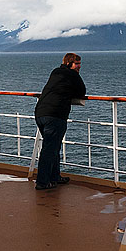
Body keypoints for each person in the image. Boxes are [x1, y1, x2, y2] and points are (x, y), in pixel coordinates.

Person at [34, 53, 86, 190]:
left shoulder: (56, 72)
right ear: (69, 63)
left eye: (80, 64)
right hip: (55, 115)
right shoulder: (73, 75)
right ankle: (42, 182)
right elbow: (82, 91)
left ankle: (54, 177)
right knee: (49, 149)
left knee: (53, 147)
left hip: (40, 113)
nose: (79, 66)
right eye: (77, 64)